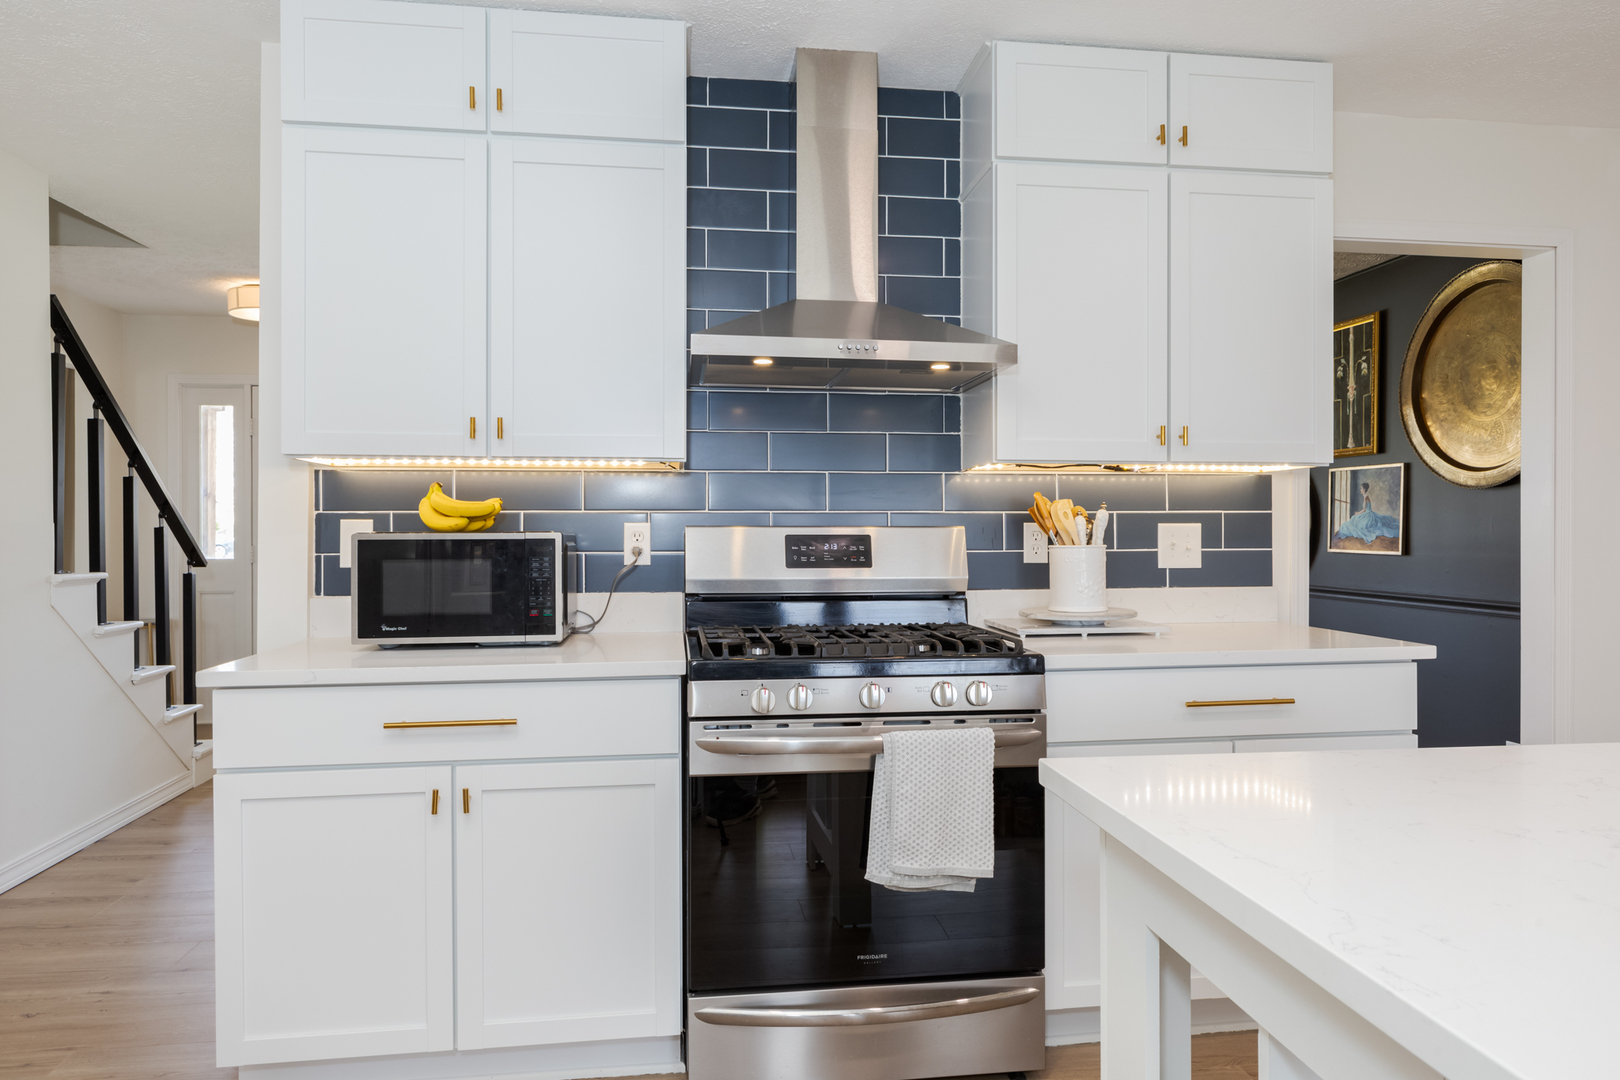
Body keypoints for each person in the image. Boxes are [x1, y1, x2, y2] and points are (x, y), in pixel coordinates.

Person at [1335, 480, 1399, 545]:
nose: (1360, 490)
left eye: (1361, 488)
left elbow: (1364, 510)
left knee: (1356, 521)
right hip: (1367, 514)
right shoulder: (1365, 496)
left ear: (1364, 489)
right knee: (1354, 520)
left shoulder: (1366, 497)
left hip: (1368, 515)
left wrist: (1357, 513)